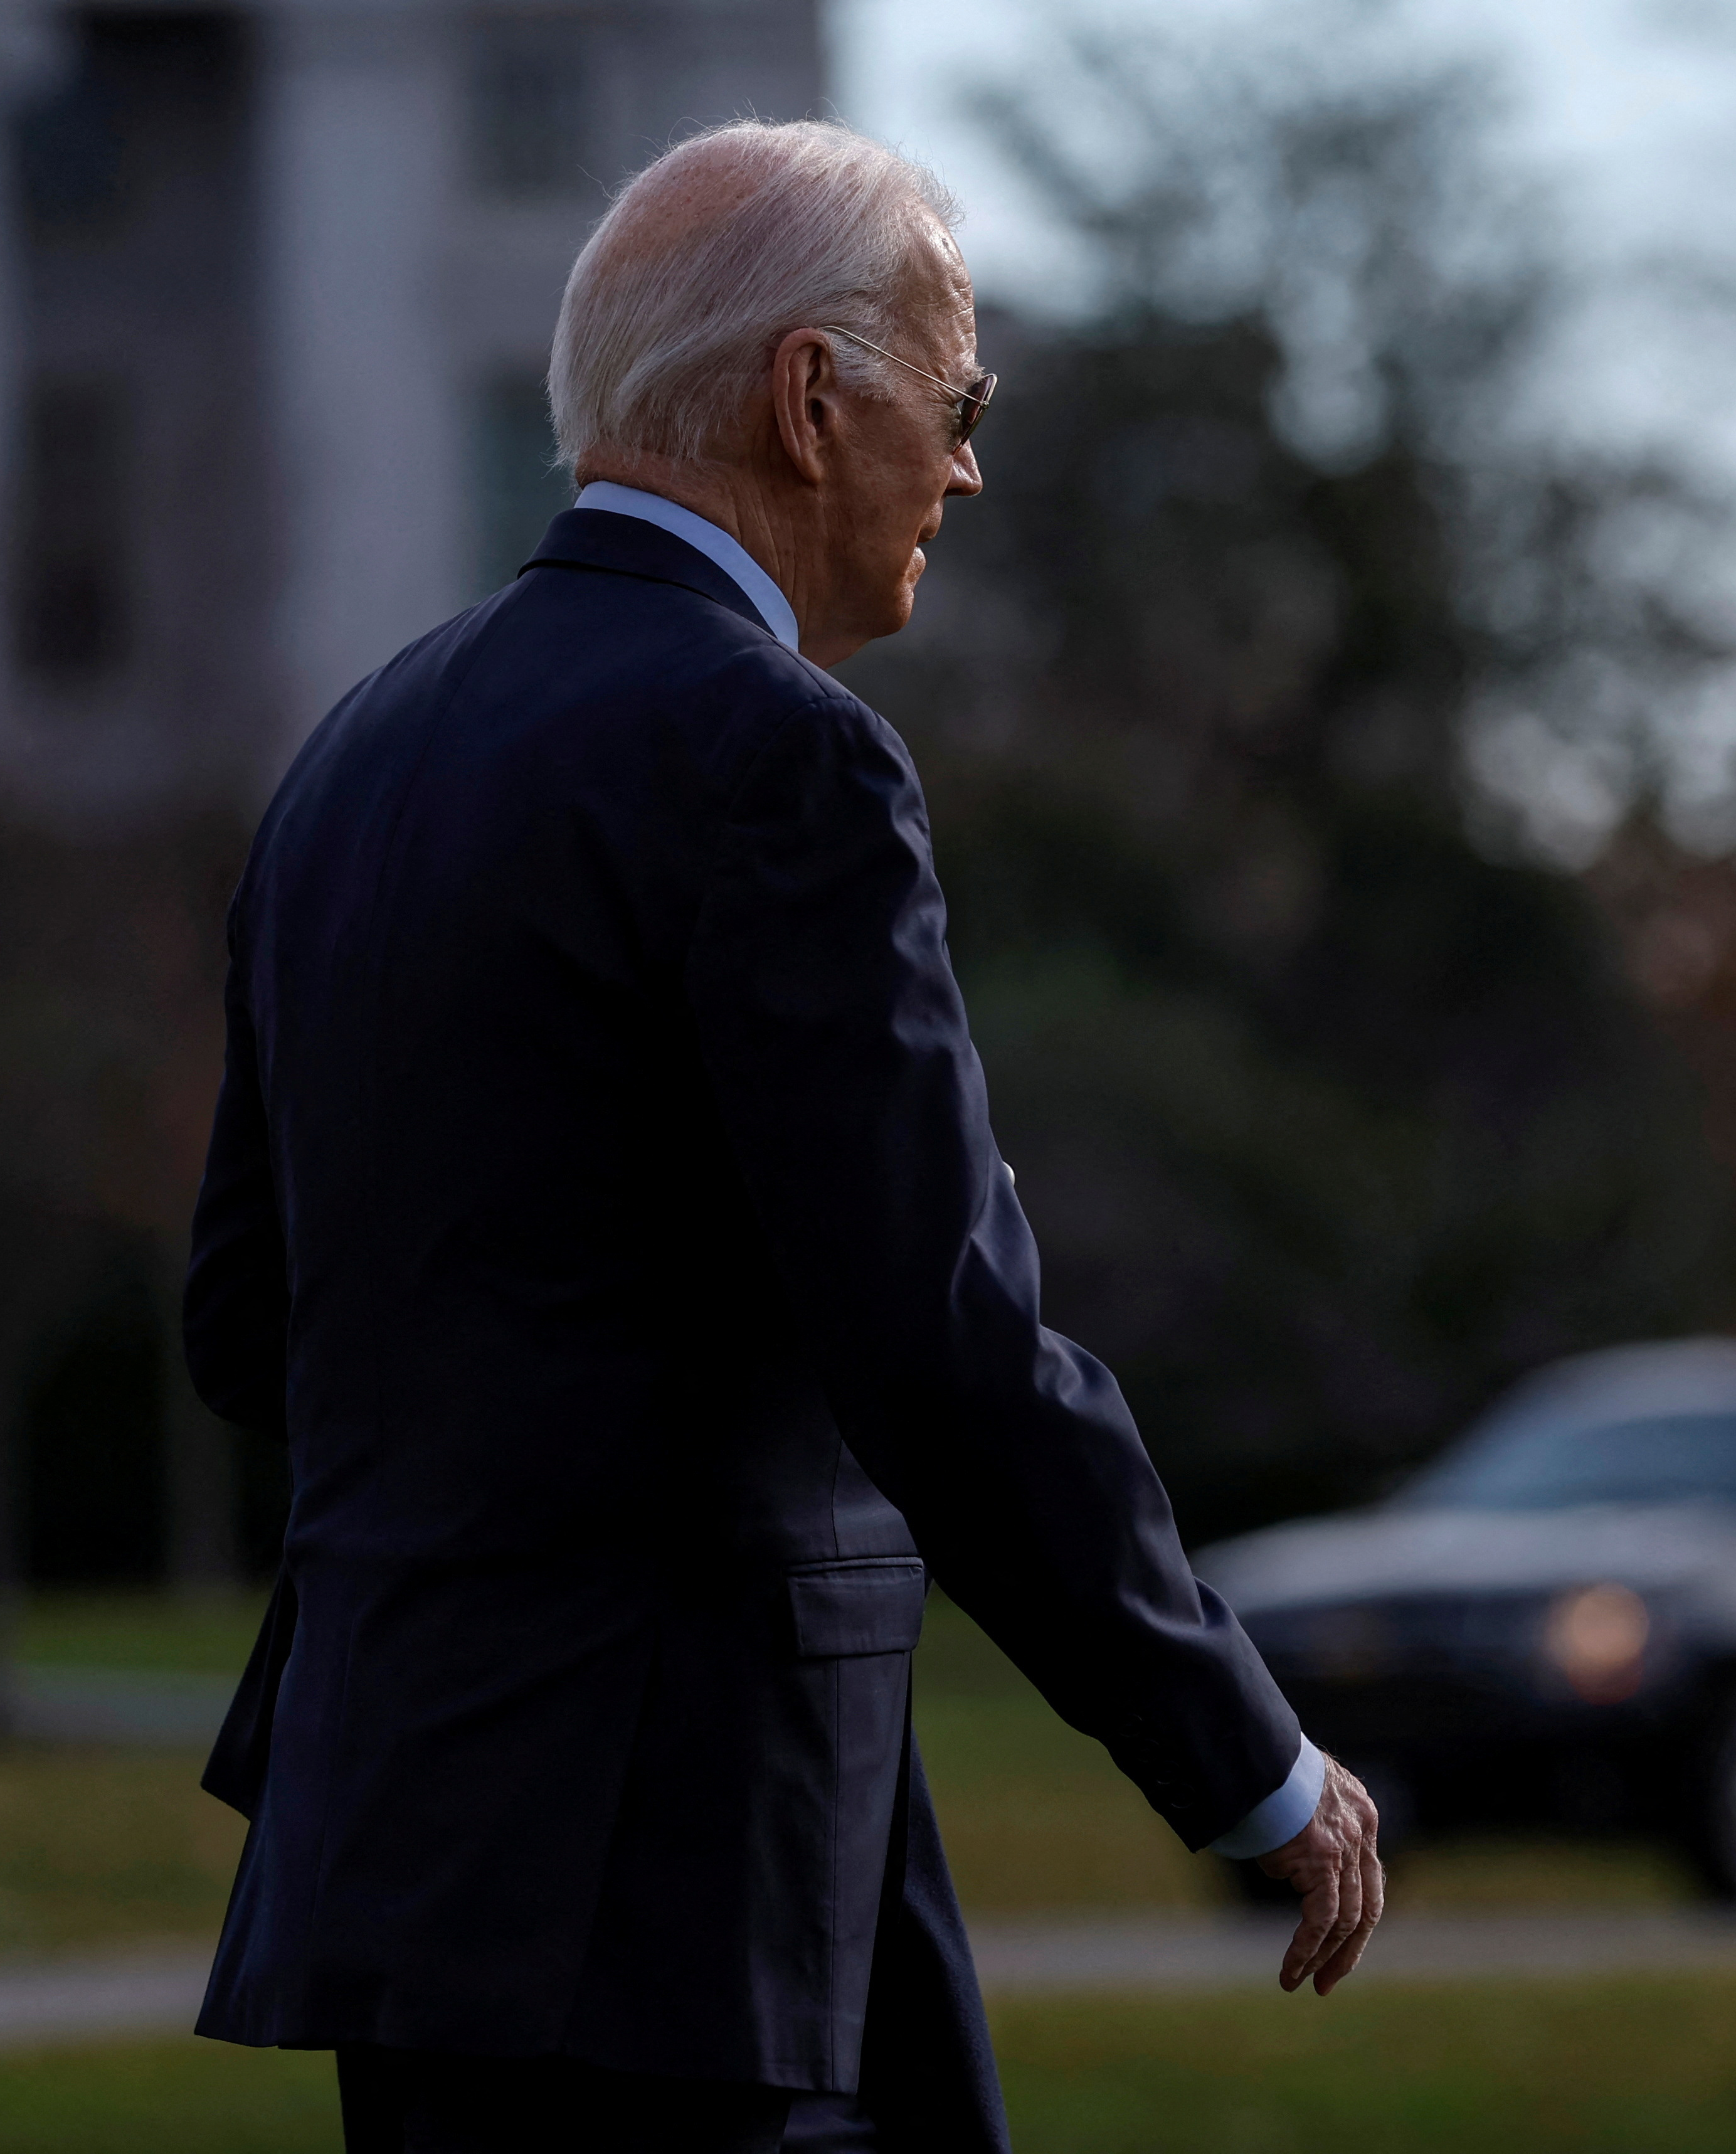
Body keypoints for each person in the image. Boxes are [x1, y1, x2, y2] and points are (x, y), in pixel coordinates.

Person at [181, 121, 1380, 2154]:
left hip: (407, 1862)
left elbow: (242, 1324)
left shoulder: (355, 756)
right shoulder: (776, 753)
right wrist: (1248, 1758)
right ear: (813, 398)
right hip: (679, 1881)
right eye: (962, 395)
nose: (973, 464)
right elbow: (938, 1343)